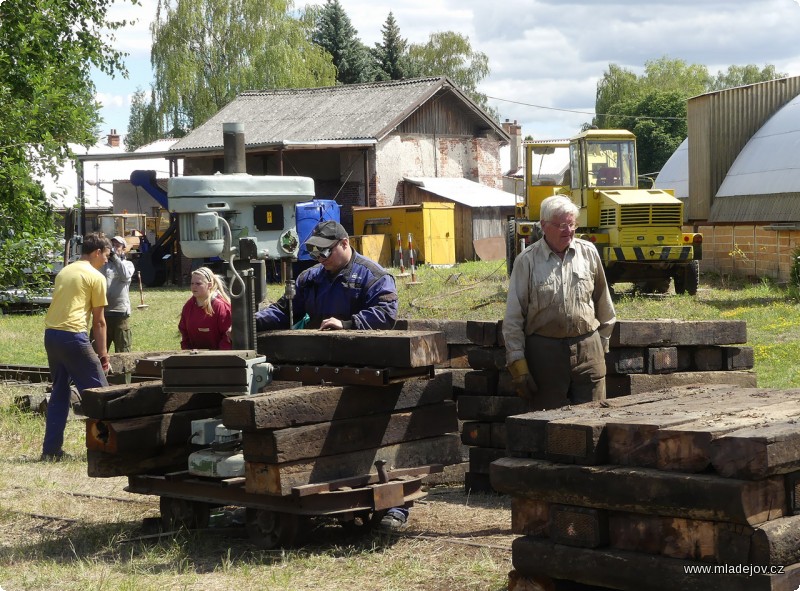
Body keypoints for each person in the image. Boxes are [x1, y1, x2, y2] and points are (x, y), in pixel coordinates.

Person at [254, 220, 405, 530]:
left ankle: (396, 506)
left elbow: (386, 313)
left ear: (345, 244)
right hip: (321, 371)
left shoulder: (373, 276)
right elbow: (285, 310)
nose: (320, 260)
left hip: (365, 374)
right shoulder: (310, 279)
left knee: (372, 437)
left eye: (326, 253)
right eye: (316, 254)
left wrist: (348, 325)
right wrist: (248, 320)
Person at [503, 194, 616, 410]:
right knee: (547, 424)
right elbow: (513, 318)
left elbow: (603, 301)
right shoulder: (526, 261)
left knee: (594, 420)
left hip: (588, 351)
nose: (569, 230)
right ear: (544, 226)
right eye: (562, 225)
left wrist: (600, 343)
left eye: (572, 224)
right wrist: (518, 365)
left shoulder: (589, 253)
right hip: (544, 355)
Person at [42, 232, 112, 461]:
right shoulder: (95, 277)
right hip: (73, 337)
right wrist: (103, 355)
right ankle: (109, 449)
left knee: (59, 393)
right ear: (96, 253)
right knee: (101, 395)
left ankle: (51, 451)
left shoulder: (65, 271)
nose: (107, 260)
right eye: (106, 256)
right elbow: (100, 321)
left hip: (51, 336)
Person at [178, 266, 232, 350]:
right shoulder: (188, 306)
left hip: (219, 358)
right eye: (192, 283)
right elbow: (184, 333)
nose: (194, 287)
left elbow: (227, 337)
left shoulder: (220, 306)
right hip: (194, 358)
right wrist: (187, 354)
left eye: (198, 284)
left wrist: (219, 358)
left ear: (209, 285)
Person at [102, 236, 135, 352]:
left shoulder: (128, 264)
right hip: (103, 311)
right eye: (112, 245)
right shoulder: (103, 264)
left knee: (123, 350)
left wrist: (115, 258)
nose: (114, 248)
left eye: (117, 245)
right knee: (97, 350)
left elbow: (125, 276)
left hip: (120, 312)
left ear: (124, 249)